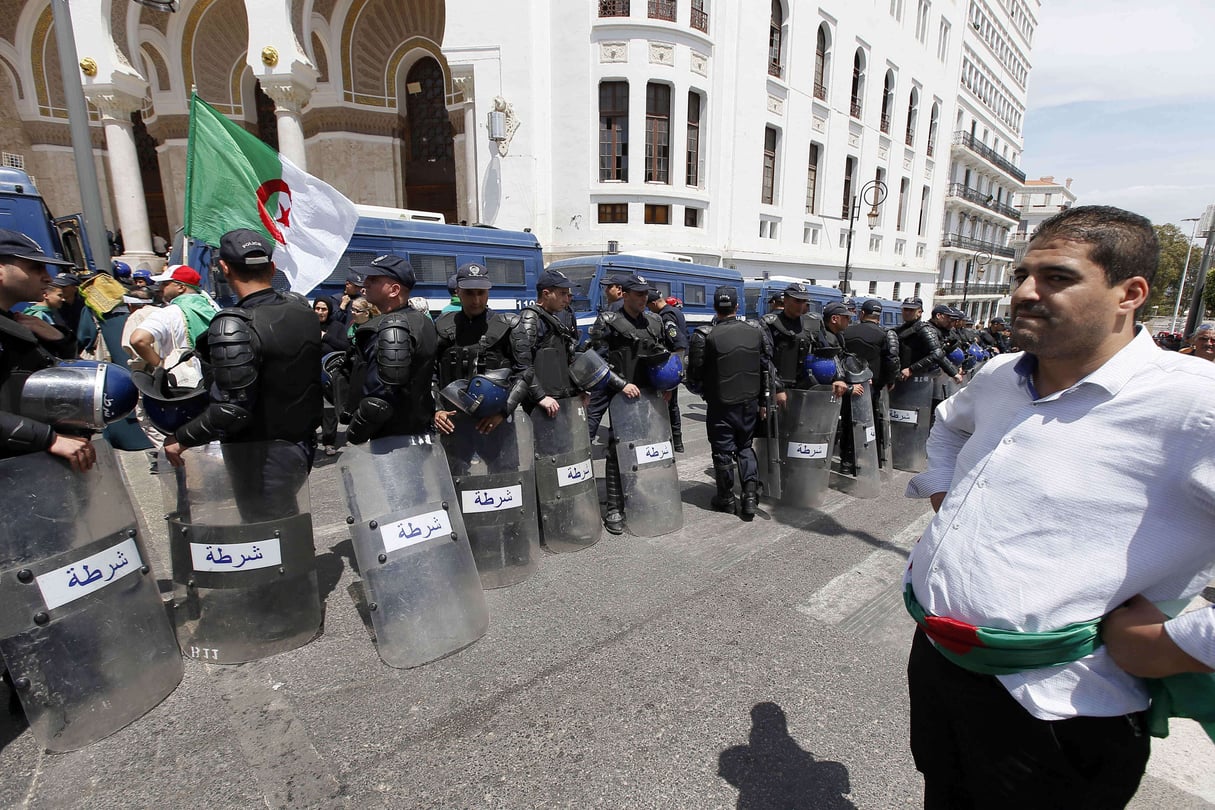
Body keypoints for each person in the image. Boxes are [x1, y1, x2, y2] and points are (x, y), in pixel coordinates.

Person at [903, 205, 1215, 807]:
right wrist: (947, 496)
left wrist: (1177, 645)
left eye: (1057, 277)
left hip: (1061, 707)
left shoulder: (1194, 406)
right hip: (940, 664)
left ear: (1130, 293)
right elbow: (947, 426)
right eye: (1023, 275)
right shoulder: (999, 374)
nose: (1024, 292)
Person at [162, 230, 322, 501]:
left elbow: (232, 408)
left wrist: (182, 437)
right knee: (287, 525)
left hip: (260, 454)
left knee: (267, 528)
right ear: (272, 268)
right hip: (301, 443)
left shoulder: (234, 324)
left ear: (224, 267)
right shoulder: (302, 310)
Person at [0, 229, 96, 471]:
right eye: (35, 268)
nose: (47, 277)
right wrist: (47, 438)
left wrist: (59, 340)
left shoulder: (15, 322)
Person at [686, 286, 774, 518]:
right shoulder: (756, 330)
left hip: (720, 404)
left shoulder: (704, 335)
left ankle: (726, 499)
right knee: (745, 447)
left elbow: (694, 374)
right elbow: (767, 368)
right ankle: (750, 498)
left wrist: (703, 391)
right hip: (749, 402)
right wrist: (764, 400)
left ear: (715, 307)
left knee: (722, 451)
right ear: (737, 306)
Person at [344, 254, 437, 443]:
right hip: (419, 431)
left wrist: (356, 433)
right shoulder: (422, 322)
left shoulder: (390, 327)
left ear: (394, 290)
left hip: (392, 439)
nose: (365, 283)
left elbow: (379, 400)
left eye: (374, 279)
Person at [129, 265, 218, 372]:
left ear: (181, 287)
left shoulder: (168, 313)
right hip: (215, 375)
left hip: (182, 381)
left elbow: (138, 339)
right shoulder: (213, 307)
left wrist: (160, 365)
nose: (160, 288)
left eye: (165, 284)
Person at [648, 288, 688, 452]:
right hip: (674, 367)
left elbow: (678, 343)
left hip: (670, 367)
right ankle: (676, 442)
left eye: (649, 307)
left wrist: (673, 375)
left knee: (669, 405)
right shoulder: (675, 311)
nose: (649, 310)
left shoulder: (666, 317)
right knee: (672, 405)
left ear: (653, 303)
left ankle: (674, 442)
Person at [314, 295, 349, 455]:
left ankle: (329, 441)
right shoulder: (308, 326)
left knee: (329, 409)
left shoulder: (337, 327)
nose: (320, 312)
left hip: (329, 375)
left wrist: (325, 337)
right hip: (311, 375)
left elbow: (345, 346)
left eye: (324, 309)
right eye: (317, 308)